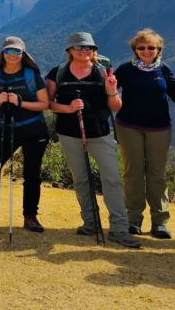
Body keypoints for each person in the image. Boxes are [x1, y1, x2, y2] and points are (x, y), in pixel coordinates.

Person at [46, 32, 140, 248]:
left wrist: (111, 90)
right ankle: (91, 223)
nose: (84, 51)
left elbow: (115, 107)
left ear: (94, 50)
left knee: (113, 180)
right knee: (80, 179)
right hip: (69, 133)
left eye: (88, 47)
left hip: (100, 133)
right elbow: (48, 103)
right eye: (78, 47)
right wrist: (68, 108)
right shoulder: (58, 72)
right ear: (70, 51)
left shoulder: (103, 71)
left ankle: (119, 229)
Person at [0, 37, 50, 233]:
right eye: (9, 51)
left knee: (32, 174)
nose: (13, 55)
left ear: (23, 54)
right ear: (3, 53)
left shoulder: (32, 75)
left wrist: (20, 103)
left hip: (34, 130)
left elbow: (44, 104)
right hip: (5, 129)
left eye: (17, 52)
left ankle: (30, 216)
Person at [113, 28, 175, 239]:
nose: (146, 50)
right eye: (141, 47)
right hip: (128, 126)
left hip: (159, 127)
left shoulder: (164, 69)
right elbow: (111, 90)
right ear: (135, 49)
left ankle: (160, 222)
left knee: (157, 175)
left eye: (151, 47)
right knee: (132, 173)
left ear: (158, 49)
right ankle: (133, 219)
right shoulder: (125, 69)